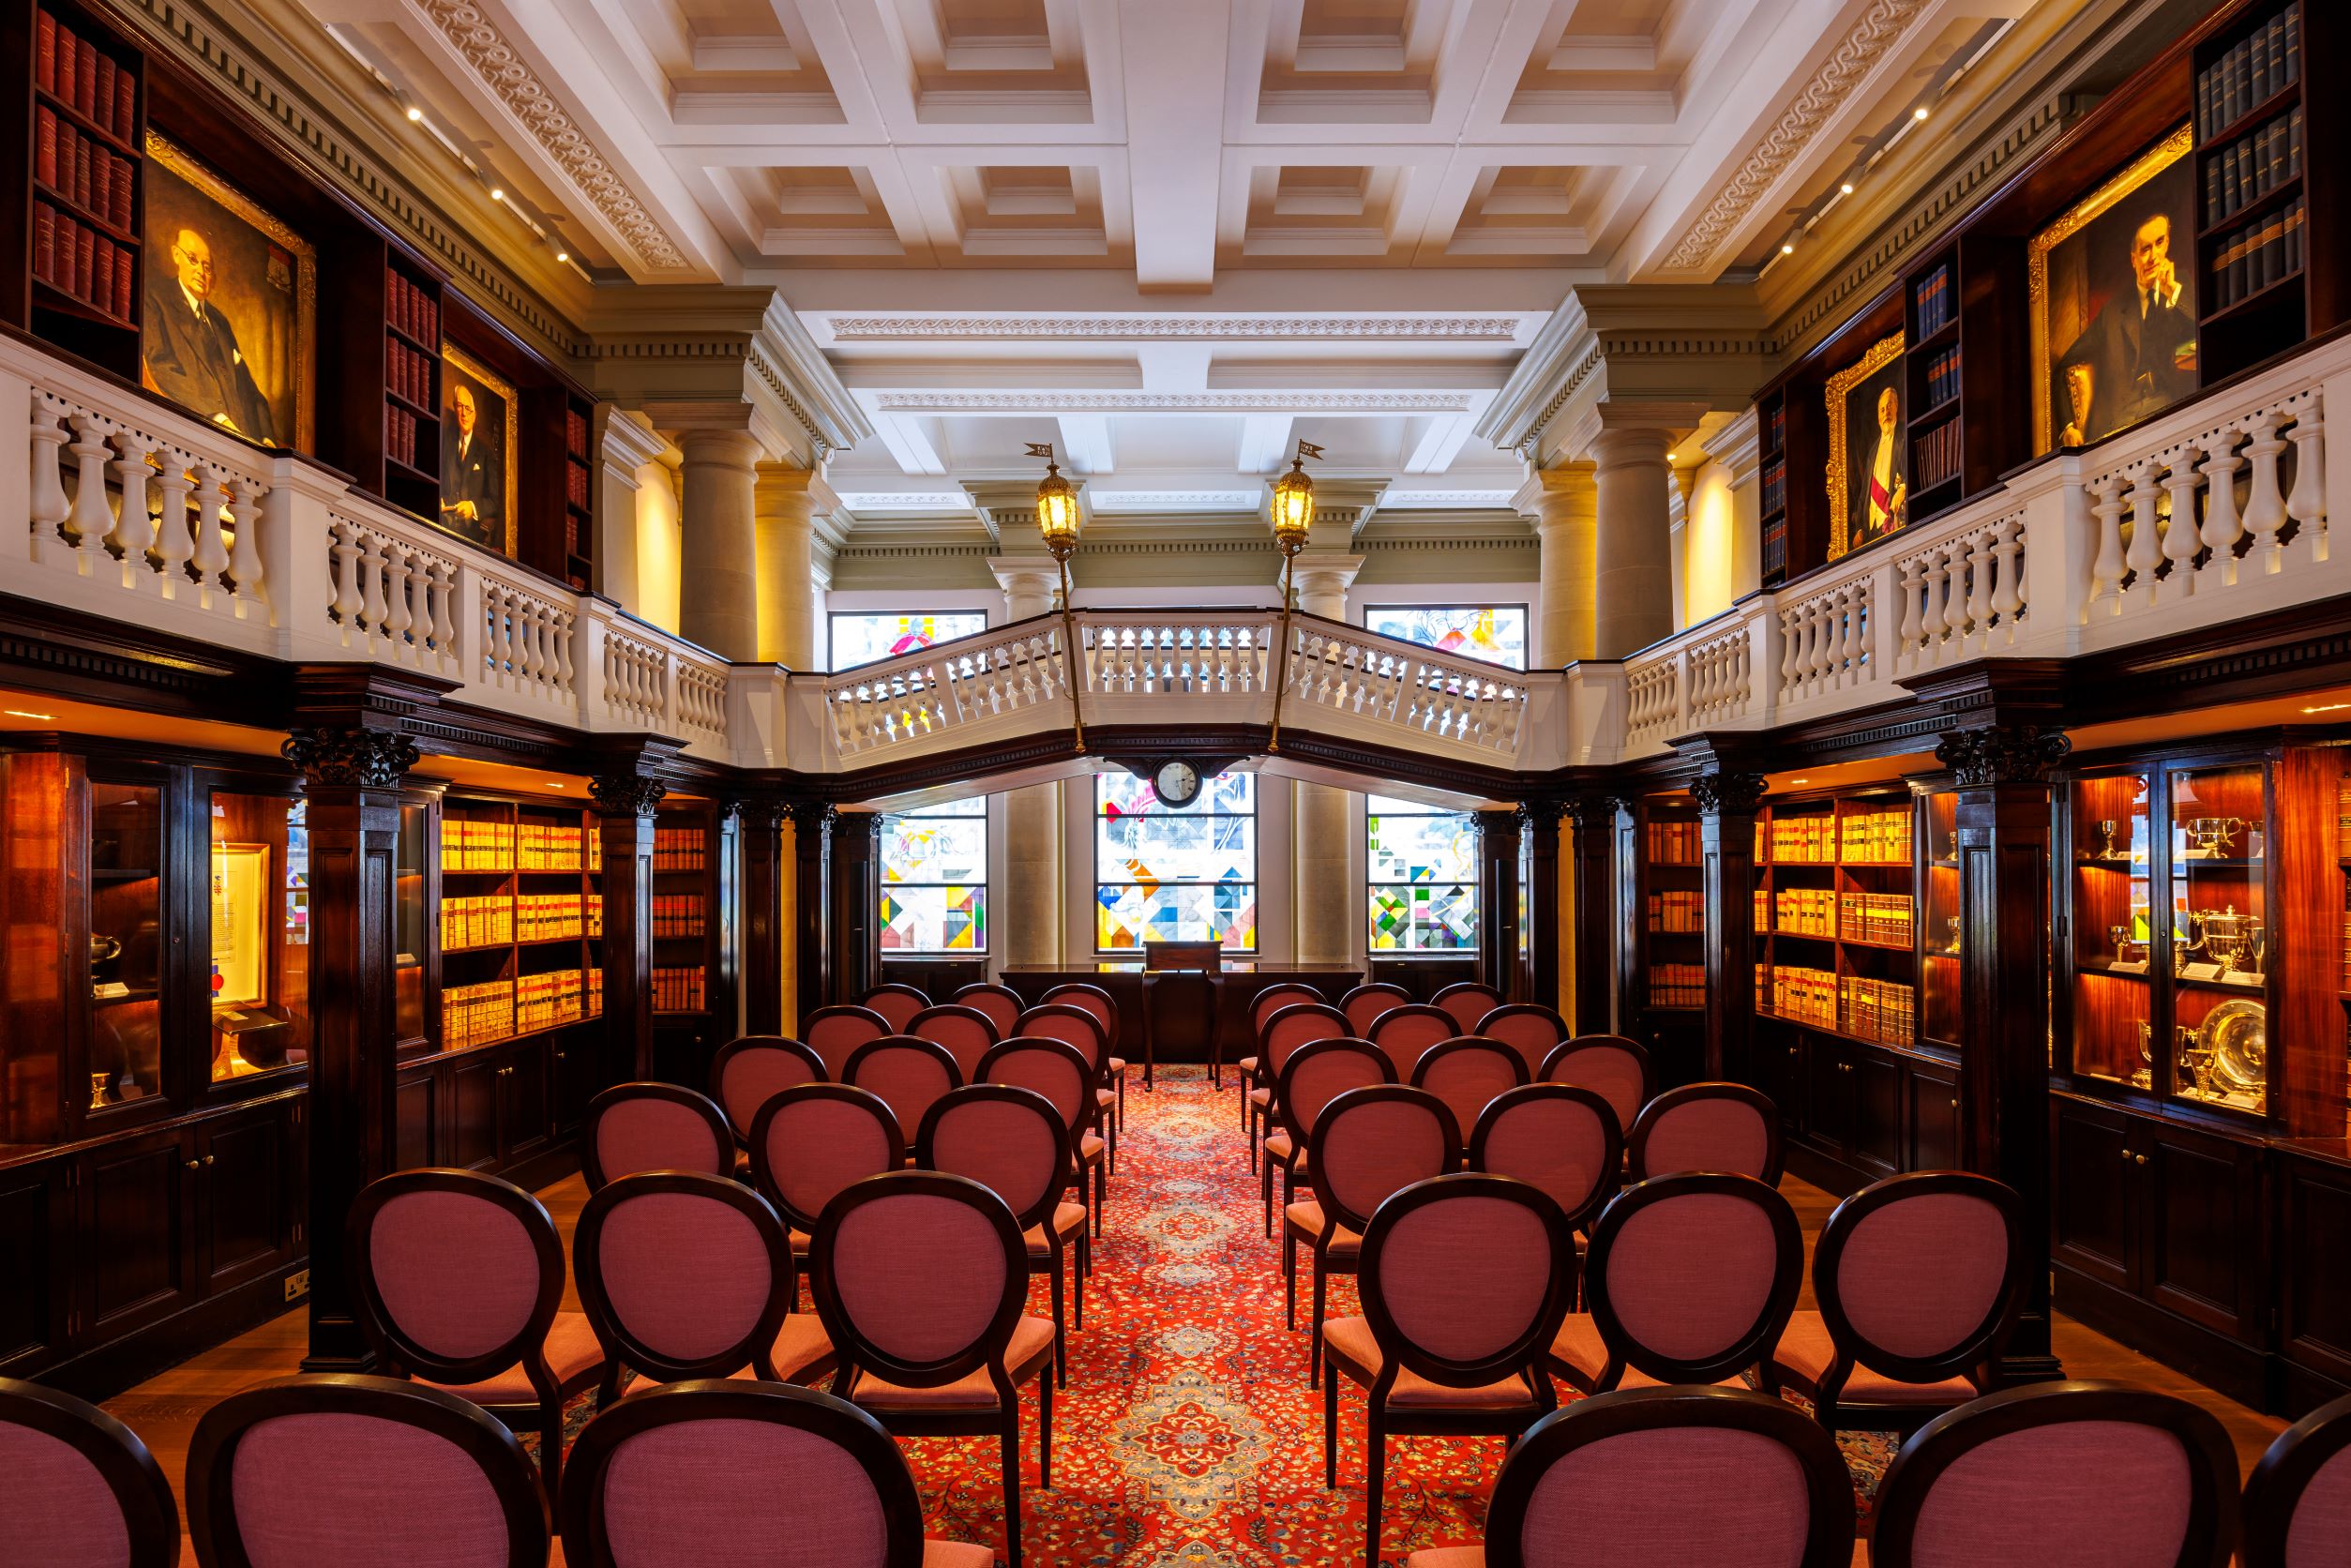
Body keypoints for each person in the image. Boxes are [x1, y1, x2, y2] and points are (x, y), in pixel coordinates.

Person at [2056, 210, 2198, 445]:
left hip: (2171, 408)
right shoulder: (2113, 311)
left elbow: (2200, 341)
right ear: (2134, 260)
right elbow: (2064, 365)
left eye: (2159, 243)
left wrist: (2172, 294)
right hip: (2119, 420)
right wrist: (2068, 427)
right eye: (2145, 249)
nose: (2153, 256)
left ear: (2167, 244)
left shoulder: (2180, 287)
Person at [142, 226, 278, 444]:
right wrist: (217, 417)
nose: (201, 273)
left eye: (207, 267)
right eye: (193, 260)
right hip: (191, 437)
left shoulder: (220, 322)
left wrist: (266, 436)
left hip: (240, 446)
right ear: (176, 255)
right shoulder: (155, 298)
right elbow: (161, 368)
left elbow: (249, 388)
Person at [440, 382, 502, 542]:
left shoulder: (485, 453)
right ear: (455, 408)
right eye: (460, 406)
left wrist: (473, 507)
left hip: (472, 536)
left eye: (468, 408)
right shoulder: (445, 443)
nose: (464, 414)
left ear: (475, 415)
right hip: (442, 527)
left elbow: (495, 502)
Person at [1853, 383, 1905, 545]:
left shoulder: (1904, 435)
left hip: (1892, 521)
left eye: (1890, 406)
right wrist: (1860, 528)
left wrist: (1903, 488)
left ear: (1897, 407)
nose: (1886, 412)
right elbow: (1864, 495)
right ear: (1878, 417)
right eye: (1882, 409)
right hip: (1871, 530)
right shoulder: (1873, 450)